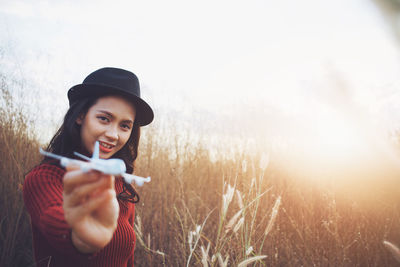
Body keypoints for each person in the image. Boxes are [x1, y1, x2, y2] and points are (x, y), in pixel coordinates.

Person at [23, 67, 154, 267]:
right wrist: (83, 237)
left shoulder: (122, 186)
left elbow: (128, 260)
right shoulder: (44, 178)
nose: (113, 134)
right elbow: (55, 221)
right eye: (104, 118)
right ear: (81, 115)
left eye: (125, 125)